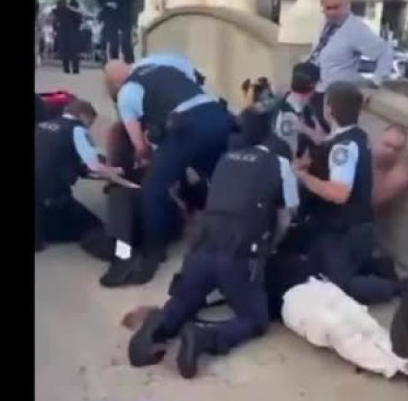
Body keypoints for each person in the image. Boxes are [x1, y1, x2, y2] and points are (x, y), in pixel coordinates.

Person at [127, 111, 299, 378]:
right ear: (270, 135)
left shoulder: (225, 160)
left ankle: (158, 326)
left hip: (201, 247)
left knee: (185, 300)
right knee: (255, 318)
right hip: (238, 255)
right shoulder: (279, 163)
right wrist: (270, 247)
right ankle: (206, 337)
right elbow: (286, 216)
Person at [100, 56, 232, 286]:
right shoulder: (163, 69)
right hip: (217, 116)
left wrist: (146, 157)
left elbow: (139, 146)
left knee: (153, 189)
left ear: (114, 83)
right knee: (218, 177)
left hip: (187, 127)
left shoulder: (127, 93)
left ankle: (154, 250)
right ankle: (229, 232)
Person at [291, 81, 399, 305]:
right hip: (337, 228)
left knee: (339, 288)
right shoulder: (356, 135)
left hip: (345, 232)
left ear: (329, 109)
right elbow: (328, 143)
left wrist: (303, 177)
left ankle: (397, 287)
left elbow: (339, 193)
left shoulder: (344, 147)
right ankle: (376, 266)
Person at [34, 99, 135, 252]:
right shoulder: (77, 130)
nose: (90, 126)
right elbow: (95, 167)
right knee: (93, 227)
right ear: (83, 116)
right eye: (90, 122)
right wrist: (119, 173)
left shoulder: (41, 126)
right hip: (51, 197)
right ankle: (123, 254)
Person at [304, 0, 392, 132]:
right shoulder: (325, 24)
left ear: (347, 6)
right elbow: (318, 51)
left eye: (336, 7)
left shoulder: (356, 29)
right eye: (328, 8)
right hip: (314, 90)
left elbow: (385, 52)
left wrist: (375, 83)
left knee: (333, 139)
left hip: (335, 96)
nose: (332, 12)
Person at [372, 123, 408, 208]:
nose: (390, 152)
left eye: (397, 149)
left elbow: (371, 199)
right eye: (387, 145)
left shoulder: (400, 176)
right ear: (378, 140)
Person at [96, 0, 135, 64]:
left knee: (126, 41)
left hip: (124, 15)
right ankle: (114, 63)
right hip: (110, 16)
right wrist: (107, 4)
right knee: (113, 42)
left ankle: (129, 63)